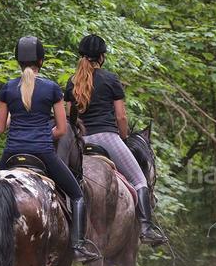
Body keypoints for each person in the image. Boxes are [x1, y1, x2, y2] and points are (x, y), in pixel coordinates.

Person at [0, 36, 100, 263]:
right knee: (77, 195)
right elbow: (62, 130)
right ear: (41, 61)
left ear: (18, 62)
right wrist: (43, 134)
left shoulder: (7, 89)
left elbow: (0, 128)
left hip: (11, 153)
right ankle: (79, 245)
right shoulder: (52, 88)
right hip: (43, 153)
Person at [64, 34, 167, 246]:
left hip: (80, 141)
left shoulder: (72, 81)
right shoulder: (110, 79)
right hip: (106, 137)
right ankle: (146, 229)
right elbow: (121, 116)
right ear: (101, 57)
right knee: (139, 180)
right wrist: (123, 137)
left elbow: (70, 118)